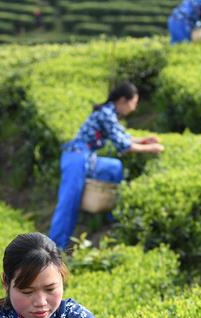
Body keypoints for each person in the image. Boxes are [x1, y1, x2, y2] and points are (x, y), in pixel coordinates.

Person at [48, 81, 164, 251]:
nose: (134, 108)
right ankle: (54, 249)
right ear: (124, 100)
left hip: (86, 158)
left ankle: (111, 215)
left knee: (115, 167)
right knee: (68, 204)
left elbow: (123, 136)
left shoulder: (109, 113)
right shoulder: (106, 113)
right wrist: (150, 148)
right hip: (76, 158)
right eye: (134, 103)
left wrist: (144, 140)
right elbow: (124, 146)